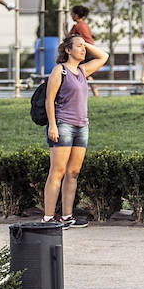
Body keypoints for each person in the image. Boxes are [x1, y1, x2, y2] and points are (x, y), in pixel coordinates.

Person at [42, 33, 109, 226]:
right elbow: (49, 100)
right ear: (67, 50)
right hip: (63, 124)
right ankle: (47, 218)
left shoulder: (83, 70)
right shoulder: (59, 70)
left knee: (73, 172)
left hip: (82, 126)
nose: (83, 49)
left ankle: (67, 217)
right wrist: (53, 125)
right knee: (58, 171)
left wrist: (84, 42)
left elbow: (103, 57)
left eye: (84, 46)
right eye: (78, 46)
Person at [66, 3, 99, 96]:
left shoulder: (77, 26)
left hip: (86, 51)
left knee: (78, 71)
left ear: (76, 15)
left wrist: (64, 28)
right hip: (92, 49)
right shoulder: (85, 25)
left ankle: (87, 92)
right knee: (87, 73)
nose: (71, 16)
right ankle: (95, 93)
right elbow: (91, 35)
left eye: (72, 14)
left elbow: (68, 38)